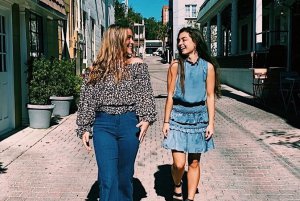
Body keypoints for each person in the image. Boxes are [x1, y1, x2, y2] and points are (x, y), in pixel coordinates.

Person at [76, 24, 157, 201]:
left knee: (124, 176)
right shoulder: (95, 71)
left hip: (129, 123)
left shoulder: (137, 66)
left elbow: (145, 94)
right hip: (103, 125)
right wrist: (84, 127)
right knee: (108, 178)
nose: (132, 42)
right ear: (115, 40)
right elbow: (87, 100)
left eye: (132, 38)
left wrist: (146, 119)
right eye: (128, 38)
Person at [162, 27, 221, 201]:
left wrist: (211, 122)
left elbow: (210, 96)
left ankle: (190, 198)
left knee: (194, 162)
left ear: (195, 41)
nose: (180, 44)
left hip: (198, 119)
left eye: (184, 39)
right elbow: (170, 96)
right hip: (178, 118)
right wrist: (166, 122)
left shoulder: (207, 67)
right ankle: (177, 184)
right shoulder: (175, 66)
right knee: (179, 164)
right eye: (179, 41)